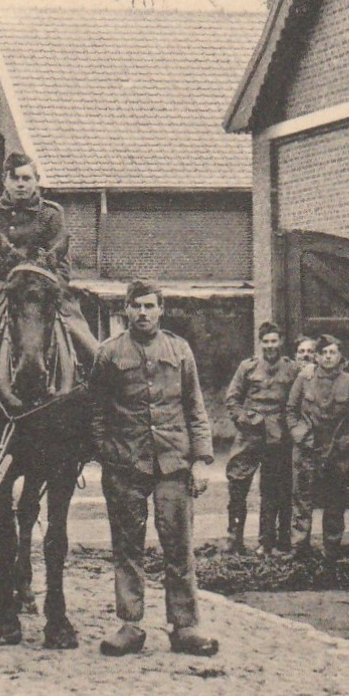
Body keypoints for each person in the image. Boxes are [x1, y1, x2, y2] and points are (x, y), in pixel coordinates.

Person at [88, 280, 217, 657]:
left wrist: (202, 460)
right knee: (127, 547)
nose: (143, 313)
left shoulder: (179, 350)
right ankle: (130, 626)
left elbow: (195, 406)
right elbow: (95, 412)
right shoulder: (109, 354)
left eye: (150, 306)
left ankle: (186, 626)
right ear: (125, 310)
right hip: (126, 464)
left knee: (179, 545)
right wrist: (107, 454)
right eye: (136, 306)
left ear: (161, 310)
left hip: (173, 462)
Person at [0, 151, 94, 352]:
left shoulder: (51, 214)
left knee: (87, 346)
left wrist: (48, 296)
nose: (20, 184)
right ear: (5, 181)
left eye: (26, 178)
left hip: (44, 295)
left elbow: (62, 268)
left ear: (36, 181)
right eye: (14, 178)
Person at [223, 322, 299, 554]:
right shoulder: (248, 367)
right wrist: (243, 419)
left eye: (274, 341)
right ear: (260, 343)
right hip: (250, 435)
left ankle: (267, 541)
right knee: (237, 485)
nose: (270, 346)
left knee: (273, 490)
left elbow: (298, 400)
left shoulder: (292, 369)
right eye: (266, 341)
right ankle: (234, 539)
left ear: (281, 343)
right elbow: (232, 398)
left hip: (278, 438)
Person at [286, 334, 349, 560]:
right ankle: (299, 547)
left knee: (335, 499)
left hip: (337, 450)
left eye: (333, 353)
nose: (328, 357)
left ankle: (332, 548)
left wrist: (347, 441)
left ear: (340, 357)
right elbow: (291, 411)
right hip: (307, 447)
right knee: (301, 498)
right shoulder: (305, 379)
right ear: (317, 357)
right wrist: (300, 436)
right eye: (324, 353)